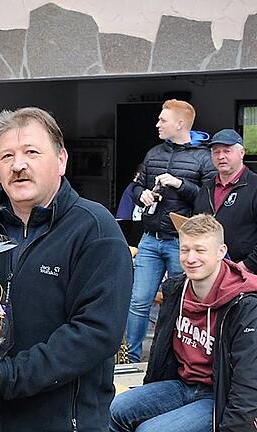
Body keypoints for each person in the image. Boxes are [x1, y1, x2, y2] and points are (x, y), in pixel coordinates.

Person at [0, 107, 133, 431]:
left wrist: (7, 378)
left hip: (63, 422)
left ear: (61, 160)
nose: (18, 165)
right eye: (6, 157)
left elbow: (96, 334)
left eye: (31, 152)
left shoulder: (95, 229)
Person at [110, 213, 257, 432]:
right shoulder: (176, 289)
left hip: (217, 394)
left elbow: (249, 380)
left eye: (200, 250)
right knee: (115, 409)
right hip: (182, 383)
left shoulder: (244, 304)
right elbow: (160, 351)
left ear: (221, 252)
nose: (190, 258)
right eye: (185, 249)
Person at [126, 99, 216, 363]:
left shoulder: (203, 158)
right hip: (150, 239)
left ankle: (172, 361)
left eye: (162, 120)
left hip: (183, 243)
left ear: (180, 124)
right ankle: (130, 360)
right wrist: (142, 195)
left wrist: (180, 184)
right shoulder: (153, 153)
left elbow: (208, 200)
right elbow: (135, 187)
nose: (157, 124)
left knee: (179, 305)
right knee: (139, 301)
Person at [194, 129, 257, 273]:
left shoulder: (254, 186)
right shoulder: (206, 188)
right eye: (216, 152)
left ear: (242, 153)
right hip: (210, 270)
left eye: (227, 151)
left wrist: (247, 265)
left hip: (246, 273)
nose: (221, 156)